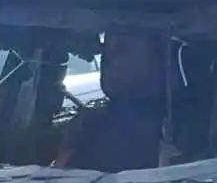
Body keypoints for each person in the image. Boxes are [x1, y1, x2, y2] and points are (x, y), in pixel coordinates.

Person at [55, 30, 169, 172]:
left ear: (158, 57)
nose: (107, 59)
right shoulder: (86, 126)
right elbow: (58, 179)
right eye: (106, 50)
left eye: (122, 47)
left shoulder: (176, 129)